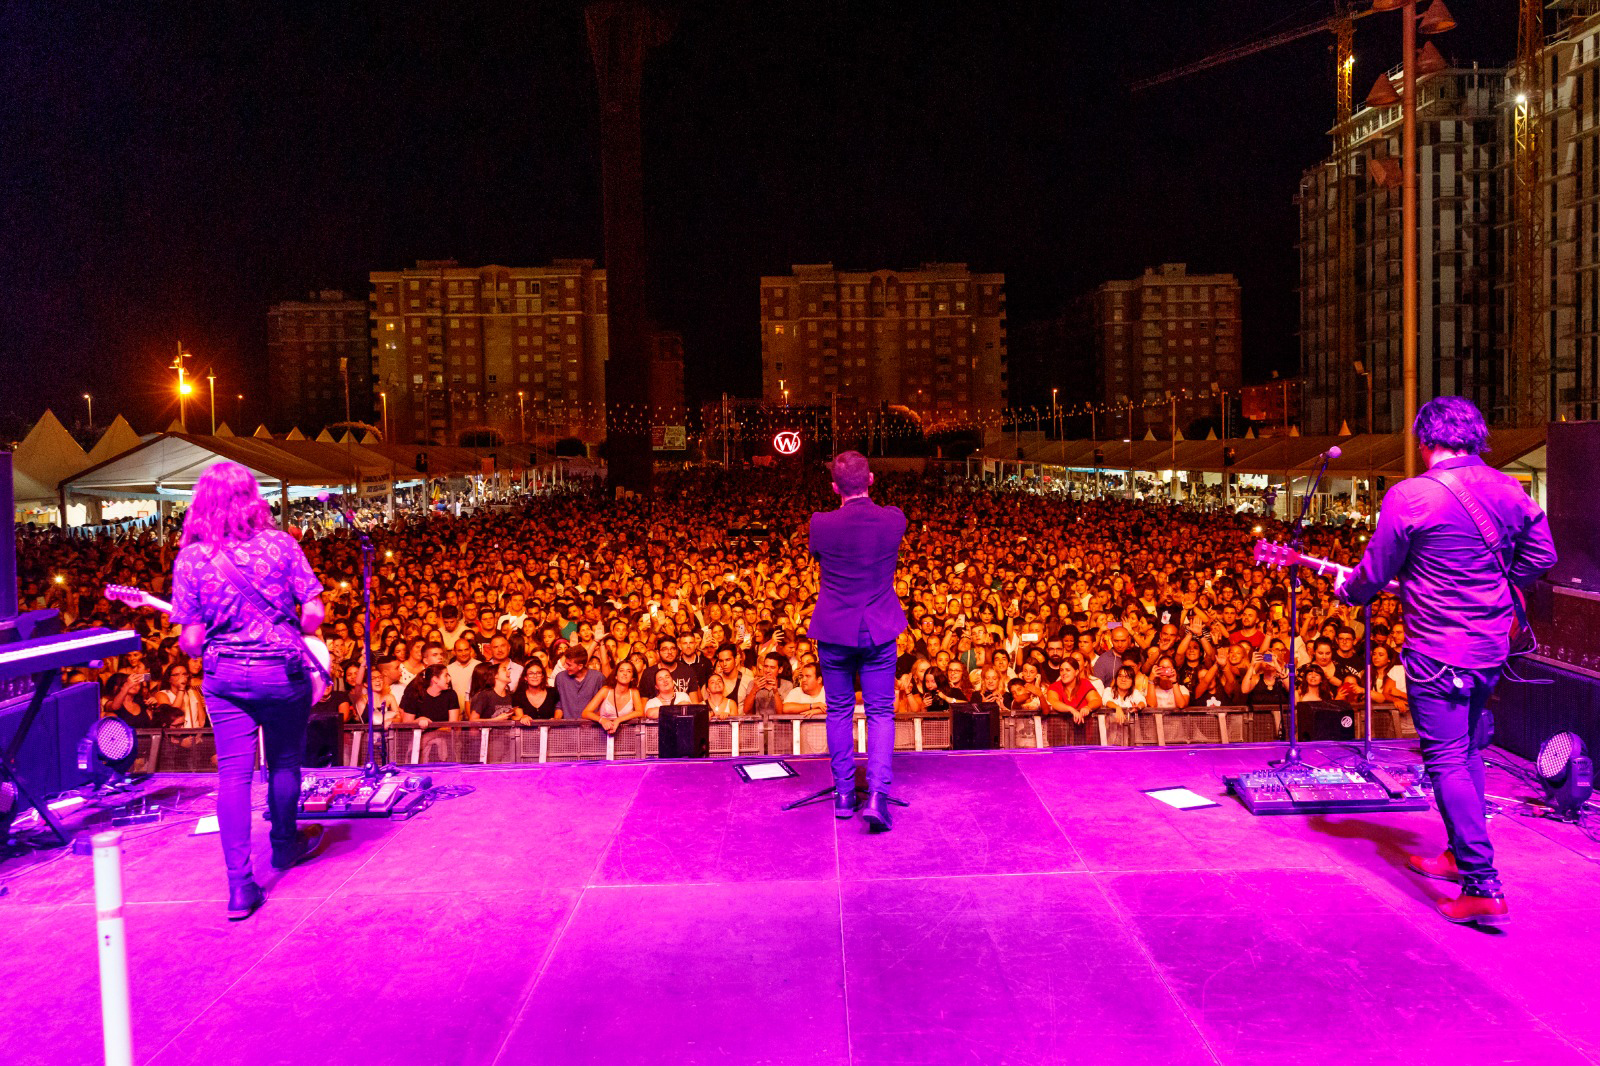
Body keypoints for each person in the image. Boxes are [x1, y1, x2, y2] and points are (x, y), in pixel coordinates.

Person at [1337, 396, 1557, 927]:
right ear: (1477, 438)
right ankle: (1460, 857)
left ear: (1425, 440)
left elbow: (1375, 571)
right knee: (1471, 748)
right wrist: (1495, 587)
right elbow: (1543, 555)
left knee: (1446, 759)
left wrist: (1351, 592)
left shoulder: (1410, 495)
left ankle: (1484, 884)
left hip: (1438, 649)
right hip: (1489, 648)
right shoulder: (1510, 488)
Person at [170, 461, 327, 921]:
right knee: (283, 762)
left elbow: (193, 642)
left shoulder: (192, 558)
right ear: (252, 498)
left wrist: (198, 633)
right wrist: (288, 626)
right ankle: (284, 845)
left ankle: (240, 888)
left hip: (226, 680)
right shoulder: (281, 545)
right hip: (281, 672)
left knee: (234, 777)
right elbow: (314, 612)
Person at [807, 451, 909, 831]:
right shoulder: (894, 519)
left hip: (835, 629)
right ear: (871, 480)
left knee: (838, 710)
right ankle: (879, 796)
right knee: (881, 712)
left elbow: (821, 558)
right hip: (879, 629)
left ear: (833, 487)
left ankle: (845, 795)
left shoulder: (821, 524)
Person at [581, 660, 645, 734]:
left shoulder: (634, 692)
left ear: (632, 678)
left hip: (626, 734)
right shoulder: (605, 690)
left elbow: (640, 712)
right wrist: (602, 720)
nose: (625, 673)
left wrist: (618, 720)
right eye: (621, 670)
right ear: (616, 676)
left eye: (629, 671)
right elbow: (585, 713)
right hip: (602, 734)